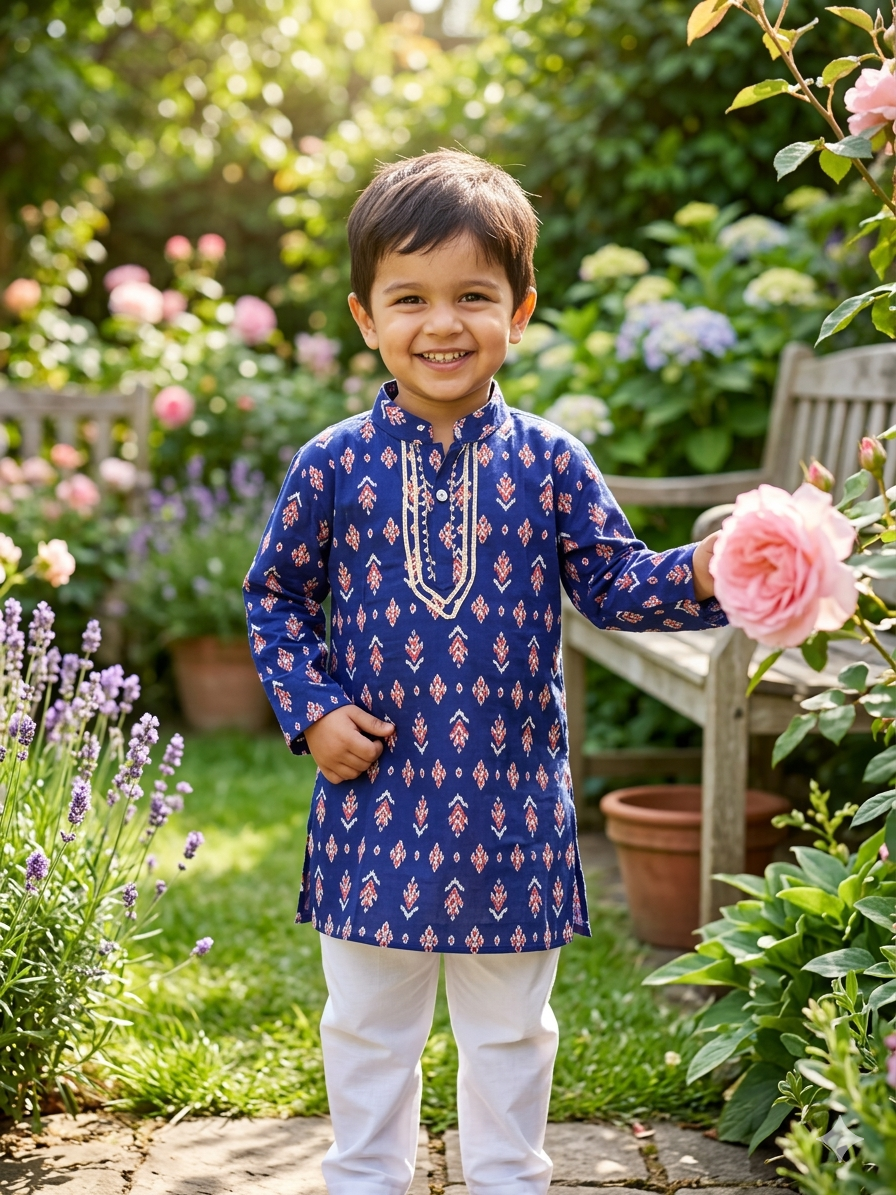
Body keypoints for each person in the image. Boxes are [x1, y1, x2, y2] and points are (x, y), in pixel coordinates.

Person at [243, 149, 726, 1195]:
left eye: (473, 295)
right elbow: (272, 597)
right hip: (374, 800)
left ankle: (509, 1179)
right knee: (368, 1022)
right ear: (366, 317)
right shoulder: (333, 463)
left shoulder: (551, 461)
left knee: (510, 1029)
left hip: (510, 804)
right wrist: (312, 708)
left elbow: (612, 585)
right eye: (408, 298)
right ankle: (363, 1178)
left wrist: (702, 565)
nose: (442, 324)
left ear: (521, 308)